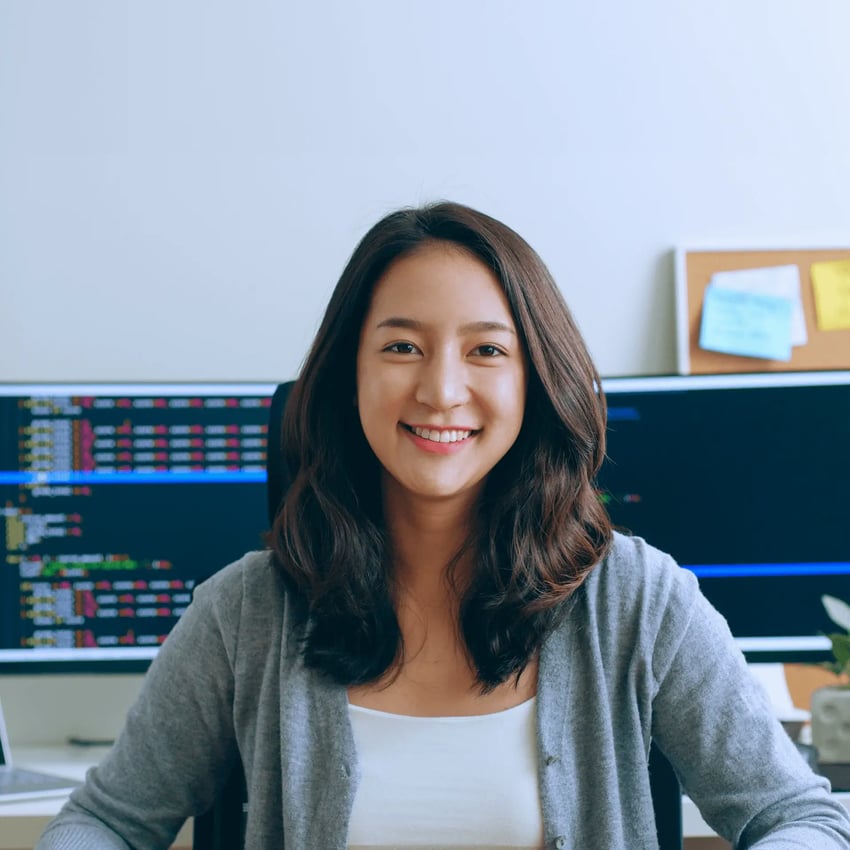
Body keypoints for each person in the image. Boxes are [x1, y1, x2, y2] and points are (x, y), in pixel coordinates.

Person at [37, 202, 850, 850]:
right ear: (346, 375)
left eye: (487, 351)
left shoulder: (639, 602)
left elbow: (799, 818)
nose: (441, 390)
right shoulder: (245, 613)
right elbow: (105, 822)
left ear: (538, 382)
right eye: (401, 347)